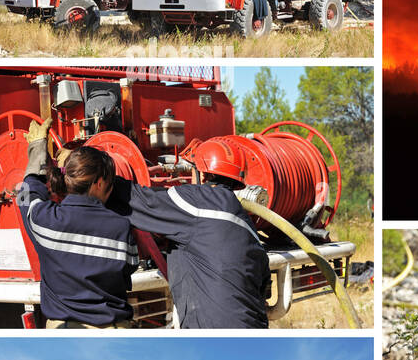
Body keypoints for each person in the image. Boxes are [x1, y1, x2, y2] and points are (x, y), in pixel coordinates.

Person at [107, 143, 269, 329]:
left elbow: (141, 201)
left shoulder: (197, 203)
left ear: (203, 175)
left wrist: (97, 173)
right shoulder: (246, 224)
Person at [16, 121, 137, 328]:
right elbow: (128, 270)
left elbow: (24, 193)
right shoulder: (121, 228)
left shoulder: (44, 221)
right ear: (99, 183)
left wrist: (37, 150)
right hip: (113, 329)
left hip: (63, 331)